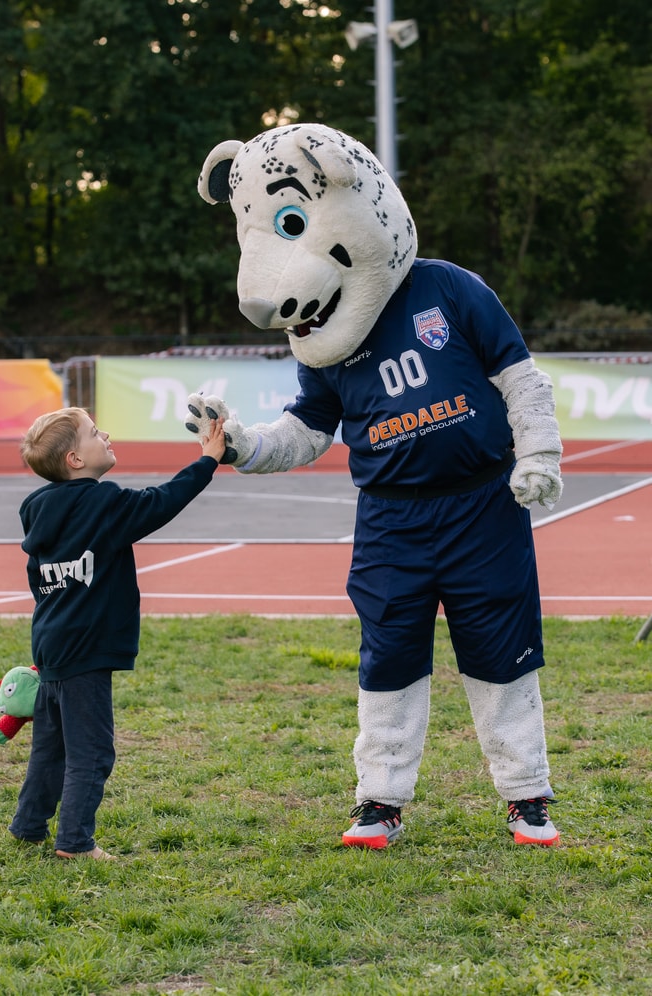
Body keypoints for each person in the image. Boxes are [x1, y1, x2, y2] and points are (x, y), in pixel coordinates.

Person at [189, 123, 563, 849]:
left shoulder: (449, 288)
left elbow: (520, 376)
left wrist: (538, 454)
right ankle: (379, 800)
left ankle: (527, 796)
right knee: (388, 657)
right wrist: (240, 444)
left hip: (482, 505)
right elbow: (305, 431)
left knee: (501, 651)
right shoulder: (324, 331)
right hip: (392, 518)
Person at [9, 406, 226, 860]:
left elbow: (40, 582)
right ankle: (75, 843)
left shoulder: (35, 509)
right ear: (75, 460)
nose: (104, 433)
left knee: (51, 750)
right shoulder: (102, 503)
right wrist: (208, 460)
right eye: (93, 433)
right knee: (92, 753)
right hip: (86, 652)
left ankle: (28, 827)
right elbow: (161, 502)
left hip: (51, 646)